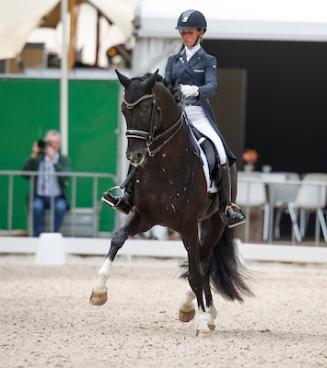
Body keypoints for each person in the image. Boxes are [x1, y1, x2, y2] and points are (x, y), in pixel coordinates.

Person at [102, 9, 245, 228]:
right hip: (176, 113)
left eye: (189, 32)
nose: (185, 36)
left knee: (219, 150)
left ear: (200, 33)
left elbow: (212, 87)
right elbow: (166, 85)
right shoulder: (173, 59)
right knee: (145, 145)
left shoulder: (208, 60)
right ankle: (126, 194)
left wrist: (194, 90)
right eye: (183, 32)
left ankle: (226, 206)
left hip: (198, 112)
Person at [22, 130, 71, 237]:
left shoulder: (63, 159)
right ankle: (37, 237)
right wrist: (33, 155)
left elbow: (66, 176)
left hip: (57, 196)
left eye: (55, 142)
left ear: (59, 144)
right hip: (39, 196)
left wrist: (54, 160)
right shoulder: (38, 159)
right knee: (36, 207)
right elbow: (24, 173)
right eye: (49, 142)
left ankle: (53, 236)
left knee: (60, 207)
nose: (52, 145)